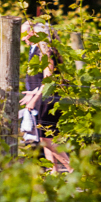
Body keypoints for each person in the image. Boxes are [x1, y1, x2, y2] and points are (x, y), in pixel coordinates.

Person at [20, 42, 72, 173]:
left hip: (49, 99)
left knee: (48, 139)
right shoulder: (38, 51)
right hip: (44, 98)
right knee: (45, 138)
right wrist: (32, 94)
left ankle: (73, 169)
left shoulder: (47, 53)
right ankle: (53, 171)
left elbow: (48, 80)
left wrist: (34, 100)